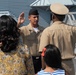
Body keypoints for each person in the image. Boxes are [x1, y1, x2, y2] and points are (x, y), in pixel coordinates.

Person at [39, 3, 76, 75]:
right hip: (69, 64)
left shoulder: (47, 31)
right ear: (64, 17)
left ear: (53, 16)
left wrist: (43, 69)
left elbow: (43, 52)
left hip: (53, 67)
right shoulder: (72, 30)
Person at [17, 8, 44, 73]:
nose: (36, 19)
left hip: (41, 59)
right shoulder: (24, 29)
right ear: (29, 18)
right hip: (30, 59)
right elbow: (13, 32)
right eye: (34, 17)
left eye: (37, 17)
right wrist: (18, 24)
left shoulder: (43, 30)